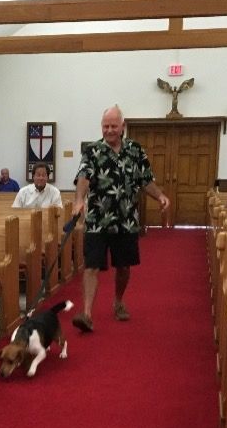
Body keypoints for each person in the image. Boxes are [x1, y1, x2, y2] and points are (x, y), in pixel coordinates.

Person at [70, 105, 170, 332]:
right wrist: (78, 201)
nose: (109, 130)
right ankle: (86, 313)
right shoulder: (93, 151)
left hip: (126, 219)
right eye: (105, 126)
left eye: (114, 126)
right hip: (97, 219)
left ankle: (118, 300)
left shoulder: (135, 150)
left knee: (124, 266)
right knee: (92, 265)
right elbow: (84, 177)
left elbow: (145, 180)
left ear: (122, 126)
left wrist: (160, 195)